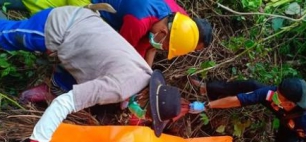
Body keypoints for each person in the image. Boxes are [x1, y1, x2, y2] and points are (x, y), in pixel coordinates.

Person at [0, 6, 182, 142]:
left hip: (85, 26)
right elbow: (63, 103)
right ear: (145, 98)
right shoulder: (119, 87)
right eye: (147, 112)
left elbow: (125, 86)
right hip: (62, 27)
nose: (142, 115)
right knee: (6, 36)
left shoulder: (145, 76)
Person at [0, 0, 213, 66]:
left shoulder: (177, 21)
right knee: (35, 21)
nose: (161, 47)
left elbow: (148, 46)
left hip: (110, 16)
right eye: (165, 44)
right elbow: (120, 53)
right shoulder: (137, 22)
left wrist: (146, 74)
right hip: (89, 8)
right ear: (166, 32)